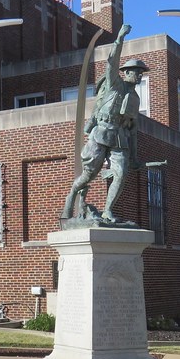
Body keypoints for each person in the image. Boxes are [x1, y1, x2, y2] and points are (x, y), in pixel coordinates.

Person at [62, 23, 149, 223]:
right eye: (137, 71)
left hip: (120, 137)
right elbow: (112, 61)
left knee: (121, 173)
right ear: (126, 73)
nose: (140, 75)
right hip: (101, 133)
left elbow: (133, 129)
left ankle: (107, 211)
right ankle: (73, 194)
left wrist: (134, 157)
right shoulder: (115, 83)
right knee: (88, 175)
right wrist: (119, 38)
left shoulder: (135, 99)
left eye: (141, 72)